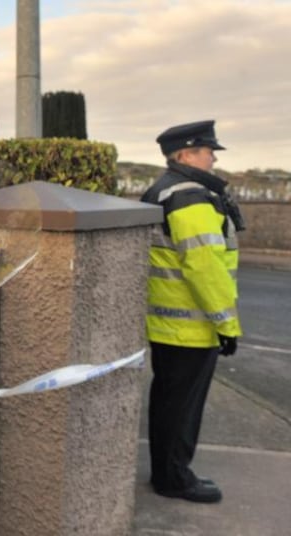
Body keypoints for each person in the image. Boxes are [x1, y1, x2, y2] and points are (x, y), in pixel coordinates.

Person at [140, 120, 245, 503]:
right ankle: (174, 479)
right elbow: (205, 266)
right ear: (185, 154)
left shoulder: (166, 189)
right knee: (181, 408)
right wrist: (226, 324)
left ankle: (168, 473)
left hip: (169, 323)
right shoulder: (191, 197)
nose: (213, 158)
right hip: (191, 326)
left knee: (169, 401)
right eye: (207, 151)